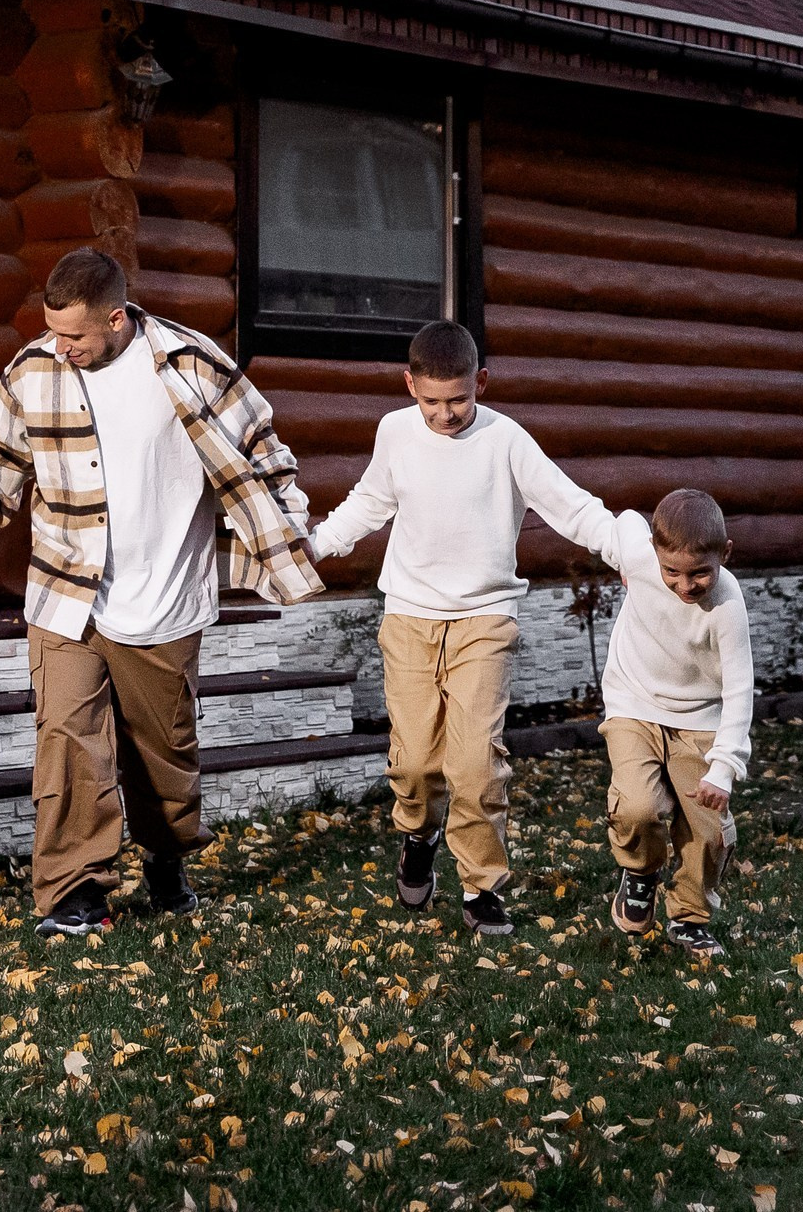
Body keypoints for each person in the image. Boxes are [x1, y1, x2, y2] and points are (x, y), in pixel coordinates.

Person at [0, 248, 322, 936]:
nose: (63, 347)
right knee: (68, 738)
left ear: (116, 319)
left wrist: (283, 535)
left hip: (166, 595)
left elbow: (267, 451)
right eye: (54, 331)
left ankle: (167, 852)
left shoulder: (191, 362)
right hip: (66, 592)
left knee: (162, 756)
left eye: (76, 336)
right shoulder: (32, 371)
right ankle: (73, 894)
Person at [306, 320, 617, 938]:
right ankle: (418, 834)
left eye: (459, 400)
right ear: (409, 386)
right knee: (417, 763)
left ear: (480, 382)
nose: (446, 415)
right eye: (431, 401)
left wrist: (628, 552)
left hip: (485, 618)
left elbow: (571, 505)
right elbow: (370, 500)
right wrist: (315, 545)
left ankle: (481, 889)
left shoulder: (507, 440)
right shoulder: (395, 431)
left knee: (475, 763)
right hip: (411, 617)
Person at [595, 488, 751, 958]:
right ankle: (641, 871)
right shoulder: (641, 557)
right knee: (637, 806)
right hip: (633, 704)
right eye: (672, 573)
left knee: (706, 827)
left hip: (700, 718)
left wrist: (723, 767)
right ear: (654, 554)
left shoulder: (727, 605)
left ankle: (690, 918)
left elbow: (740, 690)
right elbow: (622, 519)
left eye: (700, 572)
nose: (685, 586)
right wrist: (620, 558)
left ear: (724, 554)